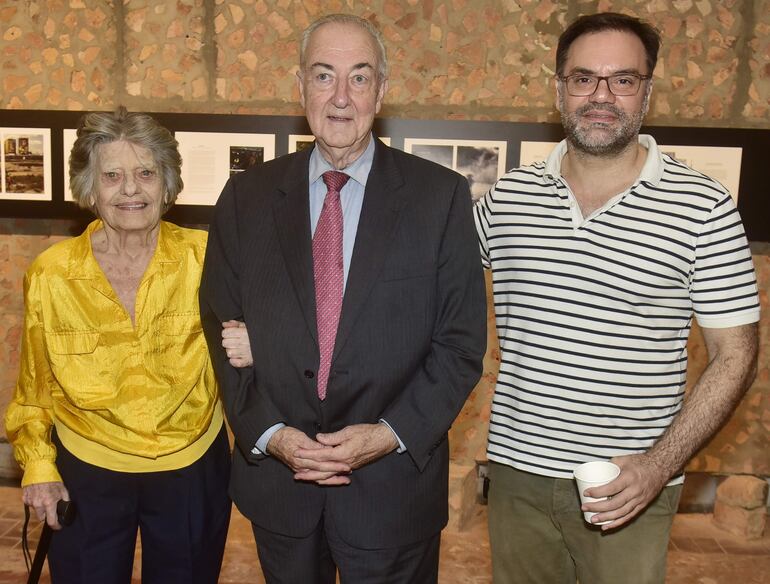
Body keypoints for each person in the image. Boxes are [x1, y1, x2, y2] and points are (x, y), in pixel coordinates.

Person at [199, 13, 486, 584]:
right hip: (283, 494)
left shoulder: (440, 199)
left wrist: (386, 436)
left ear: (381, 90)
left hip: (392, 493)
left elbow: (459, 347)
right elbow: (218, 324)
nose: (340, 98)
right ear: (299, 85)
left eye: (359, 78)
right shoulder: (246, 198)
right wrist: (272, 434)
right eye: (324, 76)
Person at [474, 12, 760, 584]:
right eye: (583, 78)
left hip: (628, 483)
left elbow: (737, 356)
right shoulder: (507, 200)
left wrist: (659, 467)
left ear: (647, 92)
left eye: (623, 80)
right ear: (559, 88)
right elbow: (410, 285)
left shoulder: (704, 207)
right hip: (516, 477)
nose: (601, 96)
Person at [4, 107, 250, 583]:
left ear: (168, 183)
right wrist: (38, 467)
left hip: (191, 467)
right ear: (90, 189)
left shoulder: (209, 259)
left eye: (145, 173)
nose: (131, 189)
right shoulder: (51, 274)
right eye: (112, 175)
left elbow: (266, 338)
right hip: (86, 468)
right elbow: (34, 388)